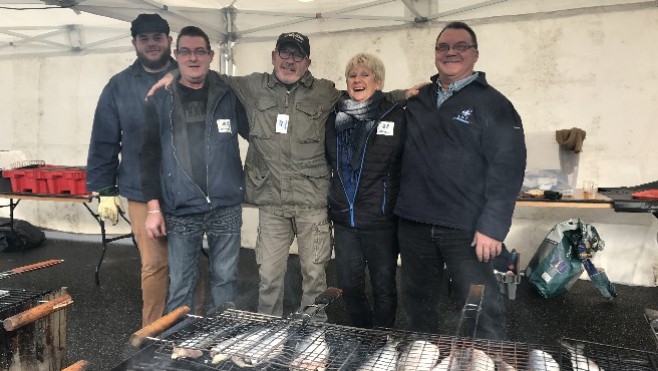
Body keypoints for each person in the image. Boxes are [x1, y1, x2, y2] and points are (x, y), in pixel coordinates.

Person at [147, 32, 411, 320]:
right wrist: (173, 72)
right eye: (284, 54)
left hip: (312, 202)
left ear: (308, 62)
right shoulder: (251, 86)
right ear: (273, 56)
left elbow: (367, 98)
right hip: (272, 201)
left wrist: (404, 95)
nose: (289, 61)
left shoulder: (325, 92)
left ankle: (312, 334)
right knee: (270, 275)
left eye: (297, 55)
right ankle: (267, 331)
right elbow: (210, 74)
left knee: (314, 276)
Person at [395, 21, 527, 339]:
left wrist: (492, 228)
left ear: (475, 55)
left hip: (467, 228)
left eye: (460, 46)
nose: (450, 52)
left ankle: (490, 358)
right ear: (435, 54)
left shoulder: (494, 105)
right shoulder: (418, 99)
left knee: (482, 307)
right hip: (415, 222)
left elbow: (508, 168)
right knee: (418, 306)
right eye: (443, 47)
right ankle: (422, 356)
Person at [140, 25, 249, 314]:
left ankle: (220, 338)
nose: (193, 58)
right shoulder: (160, 98)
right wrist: (153, 208)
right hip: (181, 204)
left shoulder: (229, 94)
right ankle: (180, 342)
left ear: (211, 55)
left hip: (225, 203)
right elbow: (147, 156)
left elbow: (258, 135)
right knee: (182, 283)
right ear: (175, 56)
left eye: (200, 51)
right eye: (185, 52)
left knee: (225, 280)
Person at [86, 13, 178, 327]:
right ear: (134, 43)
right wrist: (106, 190)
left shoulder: (193, 76)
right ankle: (152, 332)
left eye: (157, 37)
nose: (151, 43)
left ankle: (189, 328)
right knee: (153, 264)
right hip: (140, 190)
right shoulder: (119, 86)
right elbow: (104, 139)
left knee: (187, 262)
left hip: (187, 191)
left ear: (169, 40)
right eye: (144, 38)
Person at [325, 53, 406, 329]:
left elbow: (409, 163)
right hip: (345, 219)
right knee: (349, 284)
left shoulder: (395, 115)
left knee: (383, 285)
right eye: (352, 75)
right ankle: (362, 334)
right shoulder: (335, 116)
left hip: (380, 220)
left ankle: (380, 339)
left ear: (378, 81)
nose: (357, 80)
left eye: (365, 74)